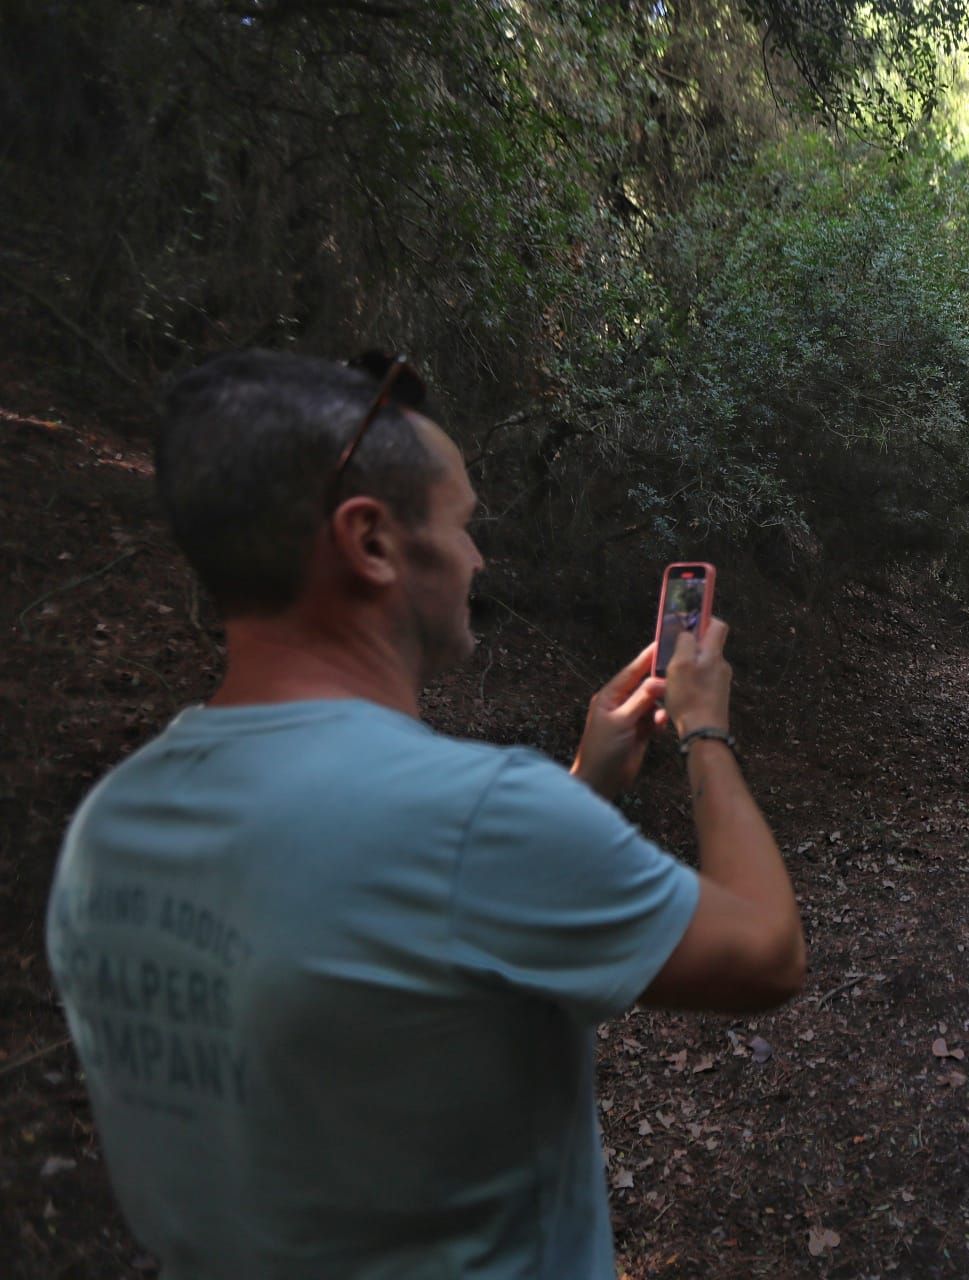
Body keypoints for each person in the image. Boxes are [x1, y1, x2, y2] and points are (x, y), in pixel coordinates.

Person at [43, 350, 806, 1278]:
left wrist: (582, 779)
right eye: (463, 524)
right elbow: (767, 952)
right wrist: (705, 729)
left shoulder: (109, 827)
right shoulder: (478, 819)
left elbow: (388, 923)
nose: (477, 557)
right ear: (370, 542)